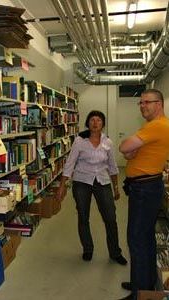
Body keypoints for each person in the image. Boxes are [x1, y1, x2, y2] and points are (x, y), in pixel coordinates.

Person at [58, 110, 127, 265]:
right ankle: (88, 249)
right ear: (88, 123)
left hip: (102, 182)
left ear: (103, 124)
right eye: (92, 120)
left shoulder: (107, 142)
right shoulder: (79, 141)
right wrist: (62, 185)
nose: (95, 123)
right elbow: (70, 163)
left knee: (110, 217)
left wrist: (116, 187)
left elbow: (113, 166)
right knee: (83, 216)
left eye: (99, 120)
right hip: (82, 181)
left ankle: (115, 252)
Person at [119, 89, 169, 300]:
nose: (142, 106)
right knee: (146, 237)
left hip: (145, 189)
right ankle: (145, 283)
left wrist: (130, 150)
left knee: (137, 239)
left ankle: (138, 293)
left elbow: (125, 147)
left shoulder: (157, 125)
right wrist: (132, 152)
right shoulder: (154, 126)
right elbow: (131, 152)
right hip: (148, 186)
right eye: (140, 103)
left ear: (159, 104)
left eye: (147, 102)